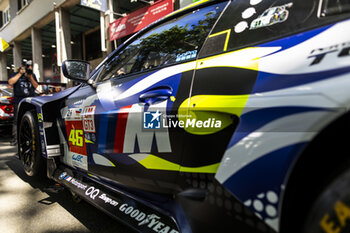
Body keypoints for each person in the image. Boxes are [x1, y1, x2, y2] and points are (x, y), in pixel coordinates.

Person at [8, 61, 39, 145]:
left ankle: (30, 137)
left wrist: (30, 77)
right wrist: (19, 74)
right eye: (25, 67)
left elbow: (36, 86)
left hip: (30, 101)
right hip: (18, 101)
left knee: (31, 119)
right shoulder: (15, 74)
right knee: (17, 120)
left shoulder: (32, 75)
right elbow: (10, 82)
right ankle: (15, 139)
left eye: (29, 67)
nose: (27, 69)